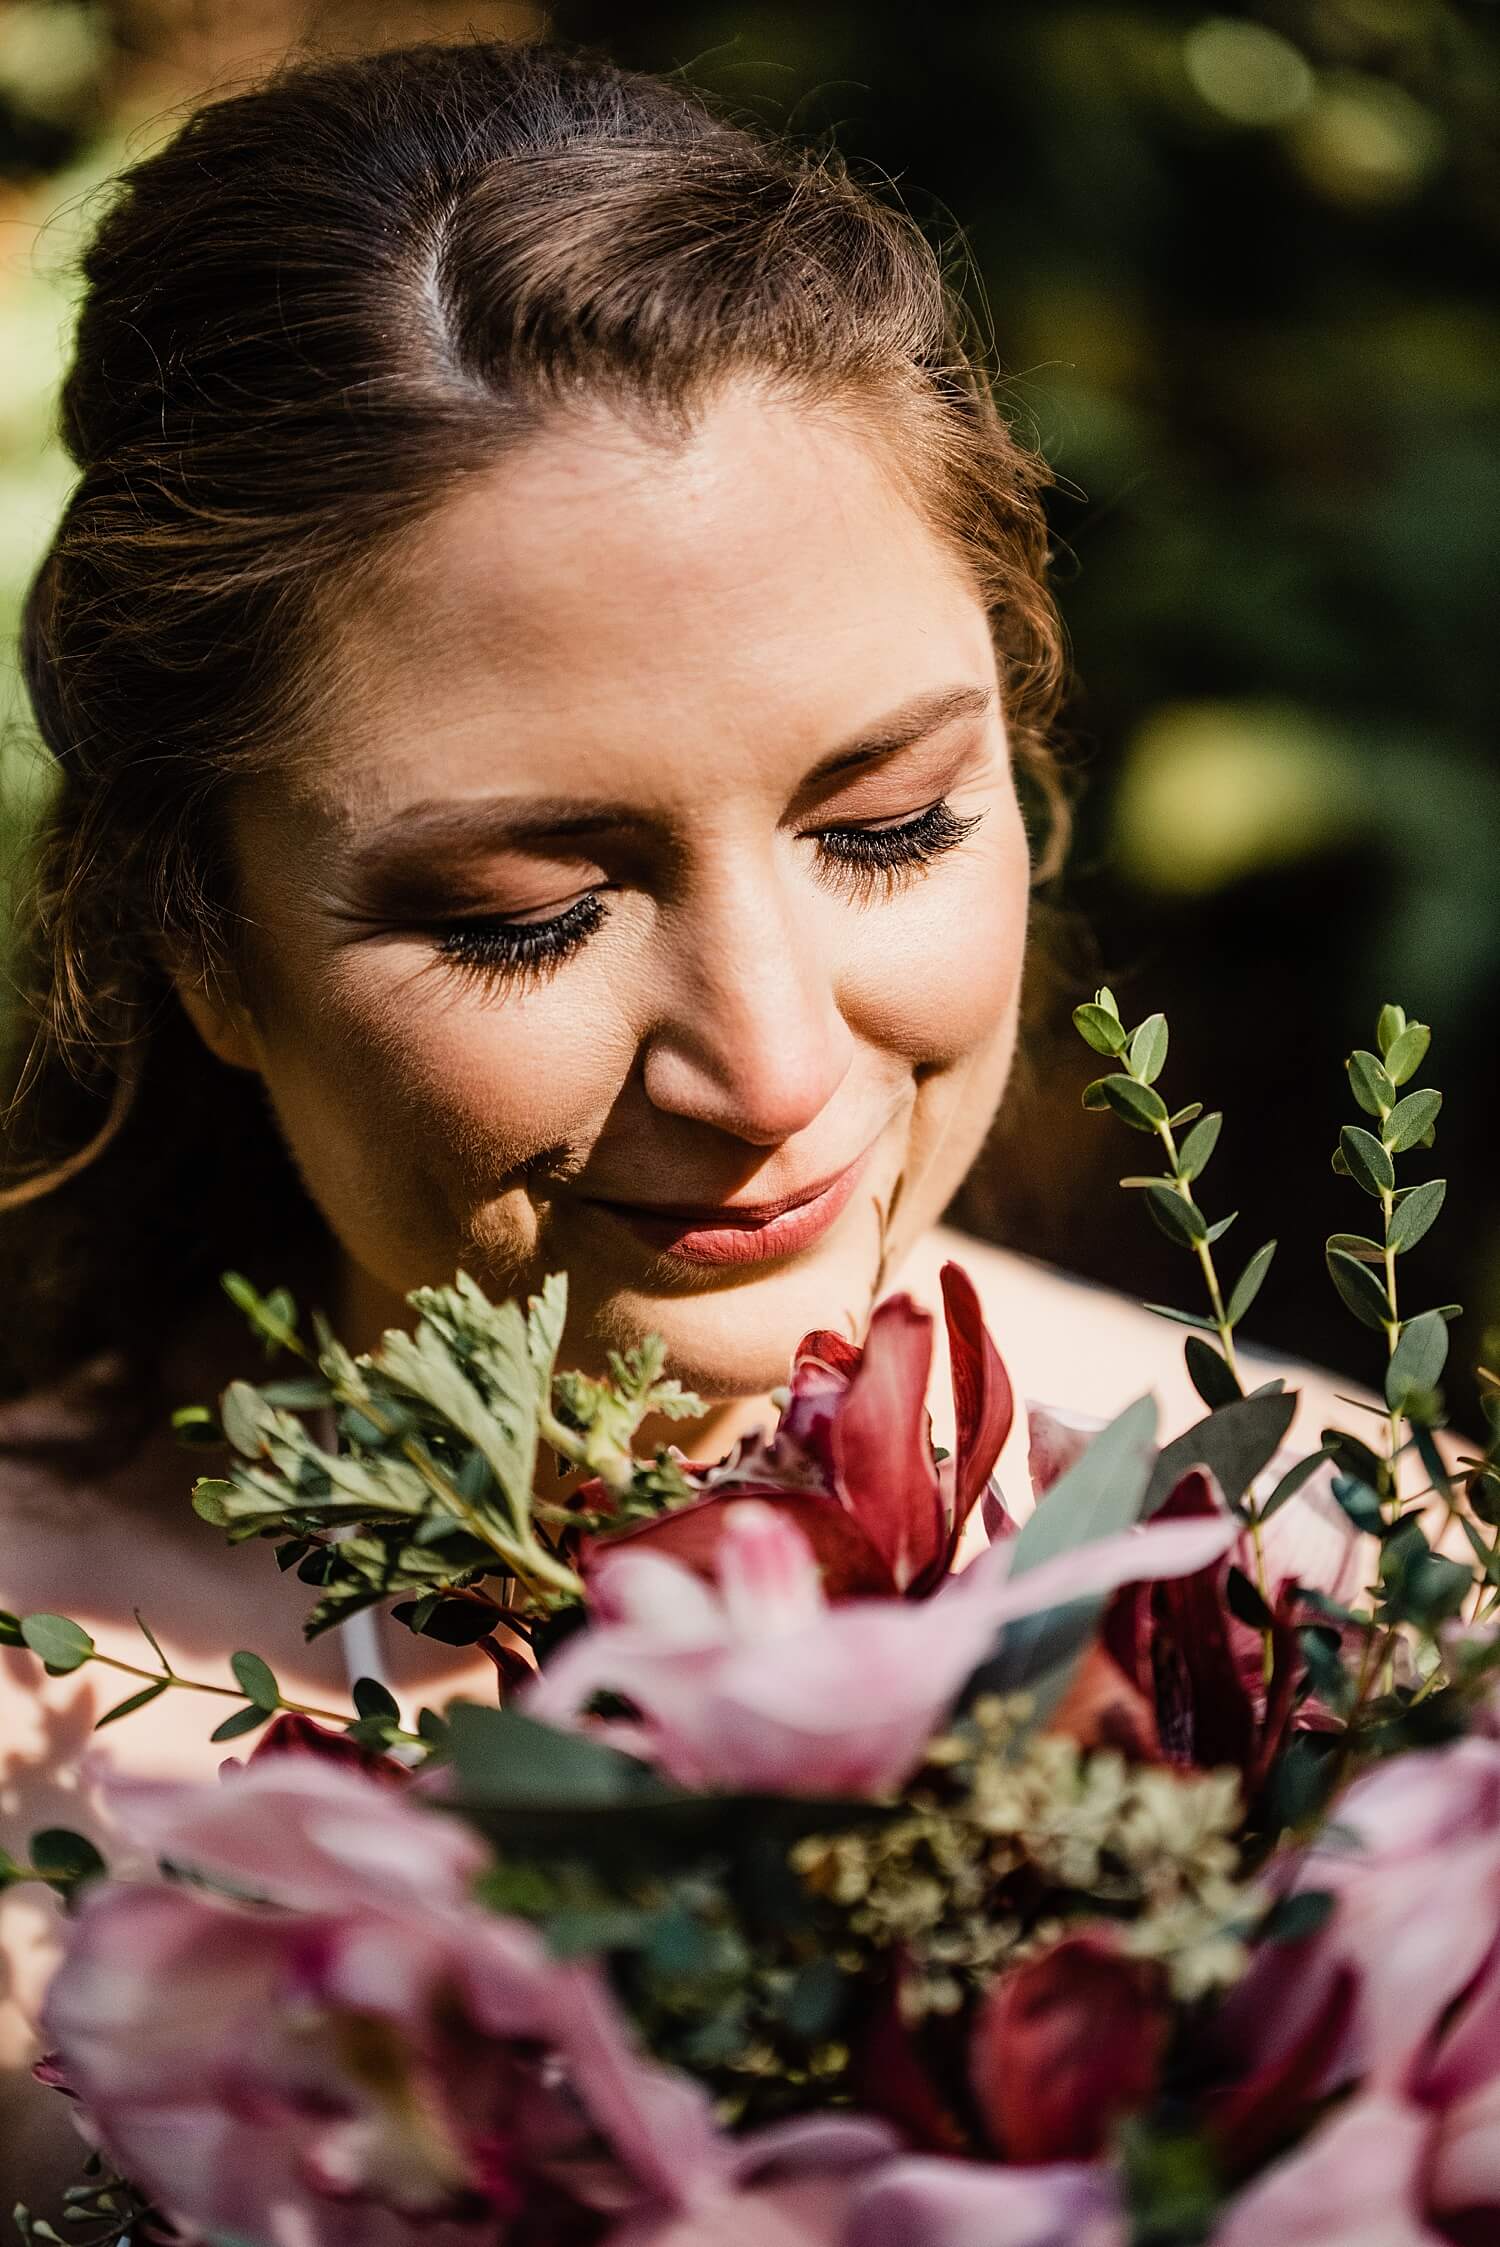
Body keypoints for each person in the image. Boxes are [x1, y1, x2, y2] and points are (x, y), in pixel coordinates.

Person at [0, 35, 1352, 2202]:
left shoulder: (1362, 1581)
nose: (779, 1066)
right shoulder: (38, 1786)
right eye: (529, 917)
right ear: (202, 942)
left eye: (894, 823)